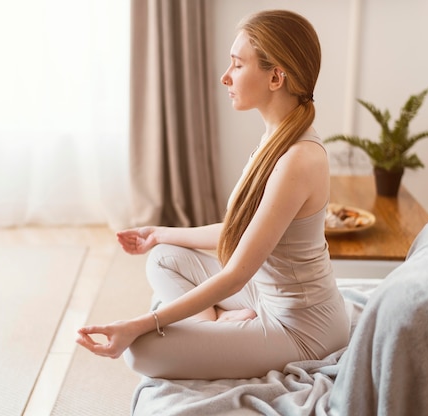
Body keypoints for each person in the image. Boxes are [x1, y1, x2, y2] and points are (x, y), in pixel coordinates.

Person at [76, 9, 350, 380]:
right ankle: (220, 320)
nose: (225, 77)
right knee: (162, 257)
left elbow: (237, 273)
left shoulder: (298, 159)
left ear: (275, 77)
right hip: (262, 296)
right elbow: (242, 233)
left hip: (301, 327)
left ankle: (218, 325)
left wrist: (141, 324)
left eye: (237, 65)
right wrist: (160, 233)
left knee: (141, 352)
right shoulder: (276, 136)